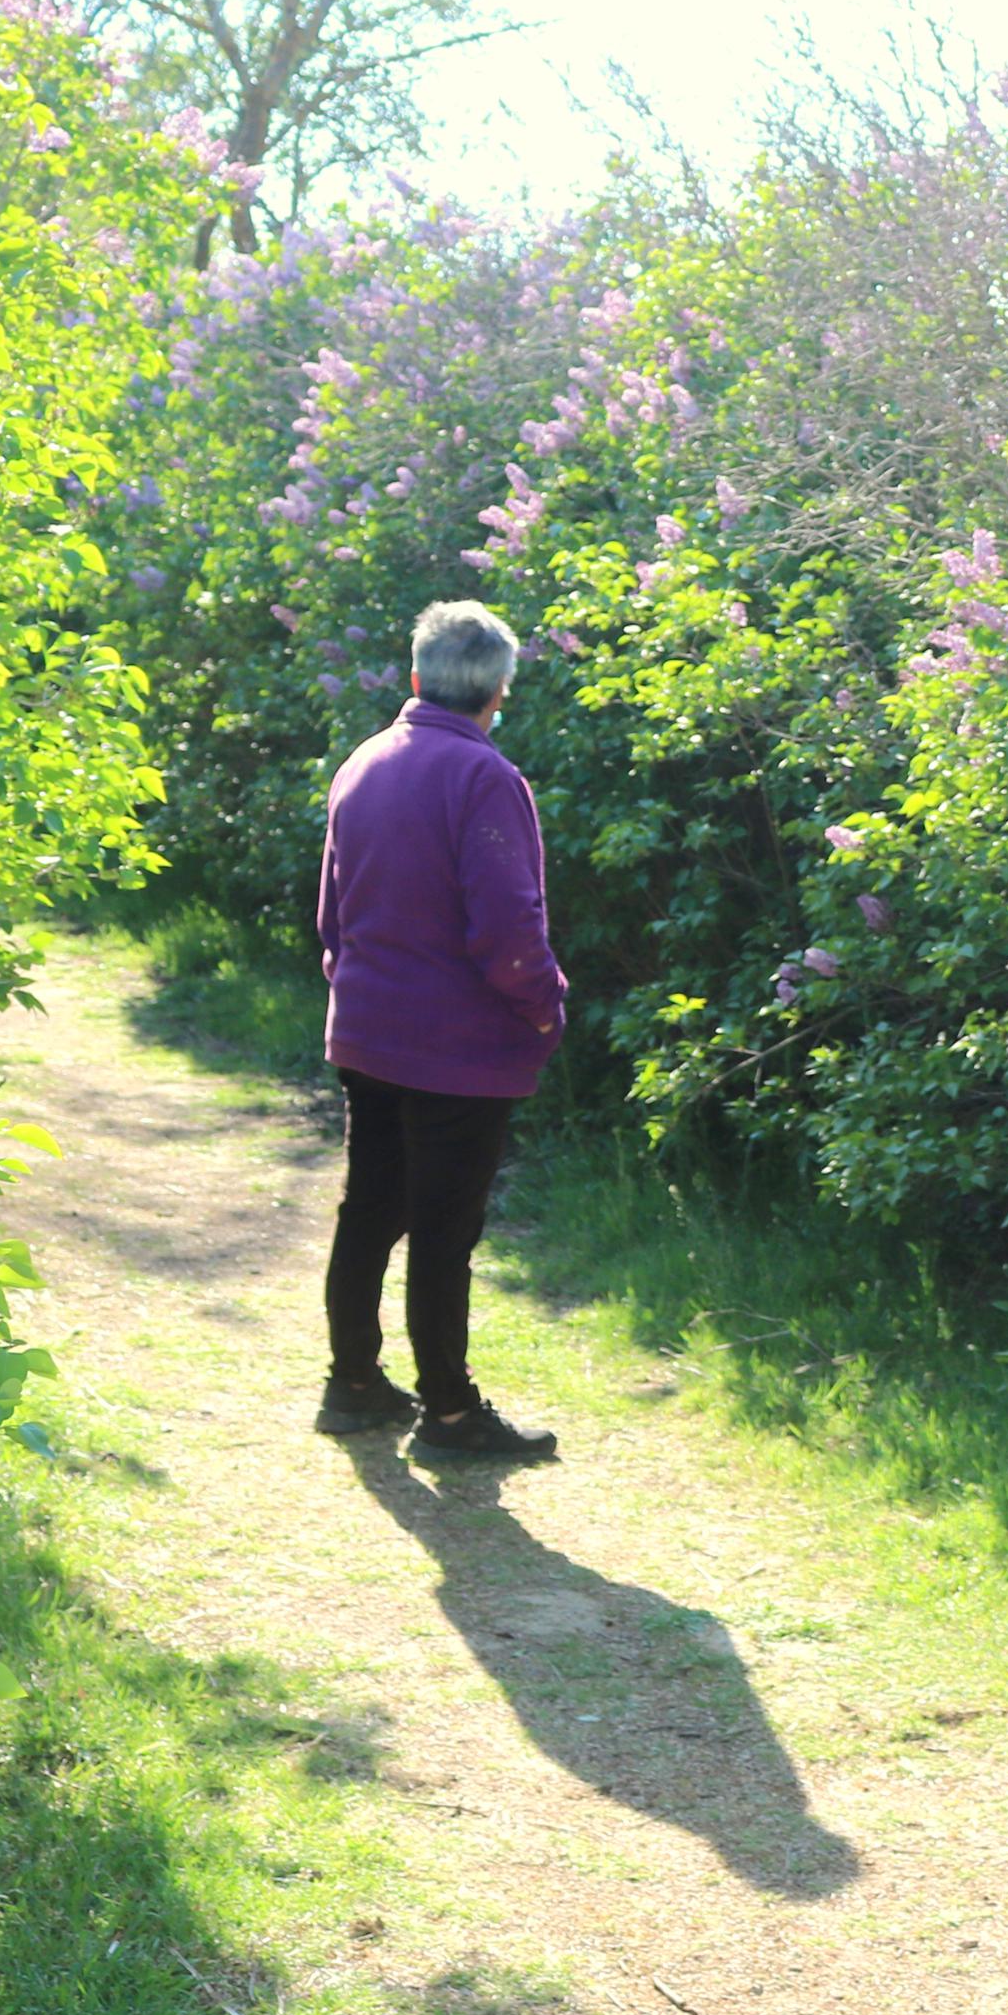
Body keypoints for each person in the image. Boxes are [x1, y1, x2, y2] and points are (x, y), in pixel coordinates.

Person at [310, 600, 567, 1461]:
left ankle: (351, 1384)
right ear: (498, 689)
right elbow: (507, 929)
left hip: (367, 1032)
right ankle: (450, 1414)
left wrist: (354, 996)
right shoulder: (484, 777)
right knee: (443, 1229)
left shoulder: (364, 762)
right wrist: (544, 1005)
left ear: (416, 677)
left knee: (370, 1209)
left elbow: (332, 917)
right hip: (458, 1050)